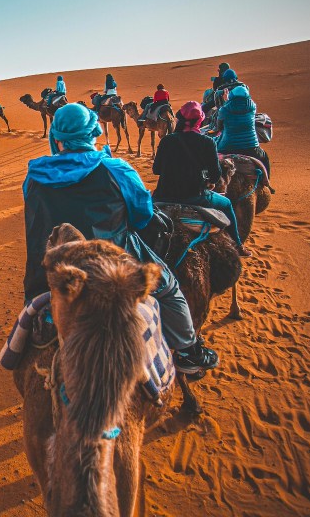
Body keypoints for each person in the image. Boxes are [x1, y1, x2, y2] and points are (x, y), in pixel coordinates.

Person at [22, 102, 219, 374]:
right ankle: (188, 352)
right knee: (170, 288)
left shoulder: (33, 176)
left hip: (48, 273)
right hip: (114, 268)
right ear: (94, 133)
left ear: (56, 137)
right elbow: (142, 217)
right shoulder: (117, 170)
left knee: (34, 309)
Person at [152, 102, 251, 257]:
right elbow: (216, 175)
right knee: (227, 204)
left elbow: (156, 170)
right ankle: (238, 245)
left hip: (163, 196)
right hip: (195, 198)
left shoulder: (167, 141)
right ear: (200, 121)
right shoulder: (207, 142)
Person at [214, 69, 271, 178]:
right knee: (264, 157)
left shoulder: (224, 110)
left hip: (227, 146)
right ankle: (267, 182)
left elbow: (219, 127)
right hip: (251, 147)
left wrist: (226, 101)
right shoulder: (252, 107)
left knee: (211, 154)